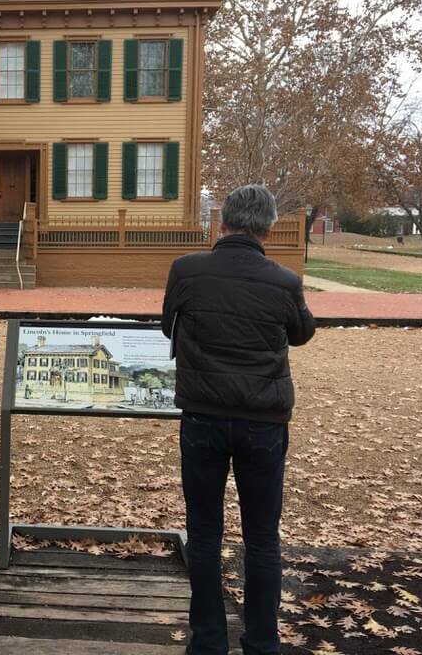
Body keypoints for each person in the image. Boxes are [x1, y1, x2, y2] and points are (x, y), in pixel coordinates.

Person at [162, 184, 315, 655]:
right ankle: (263, 643)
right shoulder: (284, 281)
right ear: (268, 227)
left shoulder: (186, 271)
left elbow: (168, 325)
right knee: (263, 538)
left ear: (221, 221)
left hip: (203, 416)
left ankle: (208, 641)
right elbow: (302, 332)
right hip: (264, 423)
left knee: (204, 532)